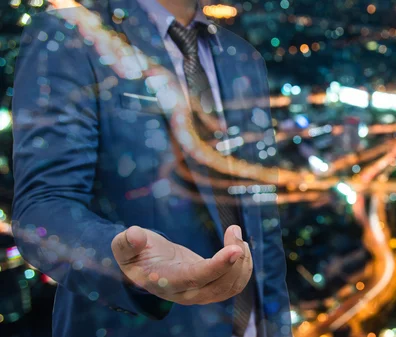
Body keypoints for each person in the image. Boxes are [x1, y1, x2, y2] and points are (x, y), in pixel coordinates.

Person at [11, 0, 292, 336]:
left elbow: (261, 219)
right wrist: (123, 260)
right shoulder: (71, 33)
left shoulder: (242, 57)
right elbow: (42, 208)